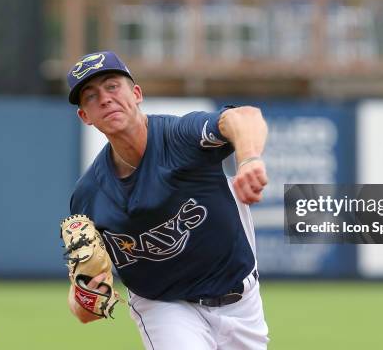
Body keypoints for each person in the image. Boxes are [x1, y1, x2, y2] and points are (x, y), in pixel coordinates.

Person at [65, 51, 270, 349]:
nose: (105, 99)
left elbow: (244, 117)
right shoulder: (89, 197)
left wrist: (249, 159)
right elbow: (83, 305)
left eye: (112, 86)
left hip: (241, 299)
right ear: (85, 116)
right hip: (164, 306)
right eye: (91, 96)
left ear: (136, 94)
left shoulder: (180, 137)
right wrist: (83, 299)